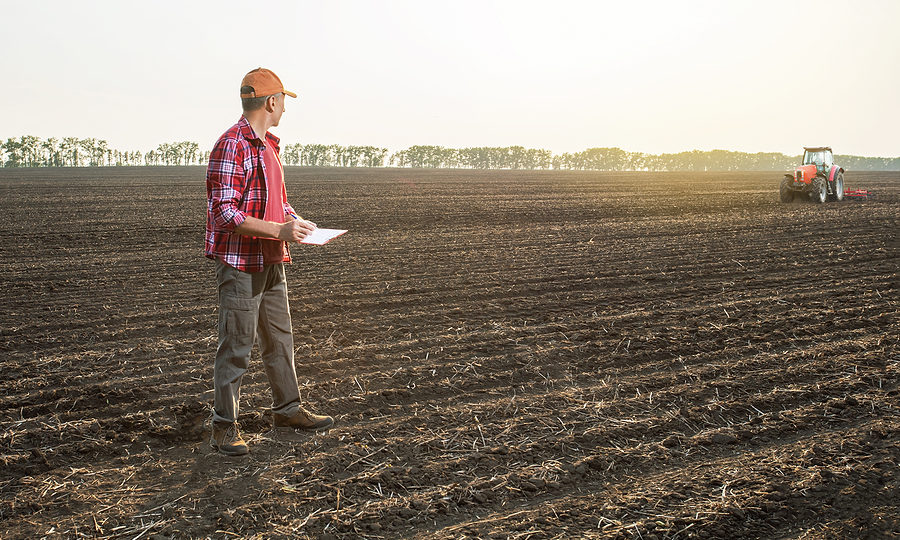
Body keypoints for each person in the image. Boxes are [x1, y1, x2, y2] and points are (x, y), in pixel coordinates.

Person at [205, 67, 333, 456]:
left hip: (271, 261)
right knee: (237, 346)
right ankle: (224, 427)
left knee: (280, 339)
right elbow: (224, 214)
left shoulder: (269, 147)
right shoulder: (232, 145)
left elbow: (274, 202)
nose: (284, 110)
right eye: (283, 102)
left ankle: (288, 411)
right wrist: (278, 231)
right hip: (242, 264)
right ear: (271, 101)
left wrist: (294, 220)